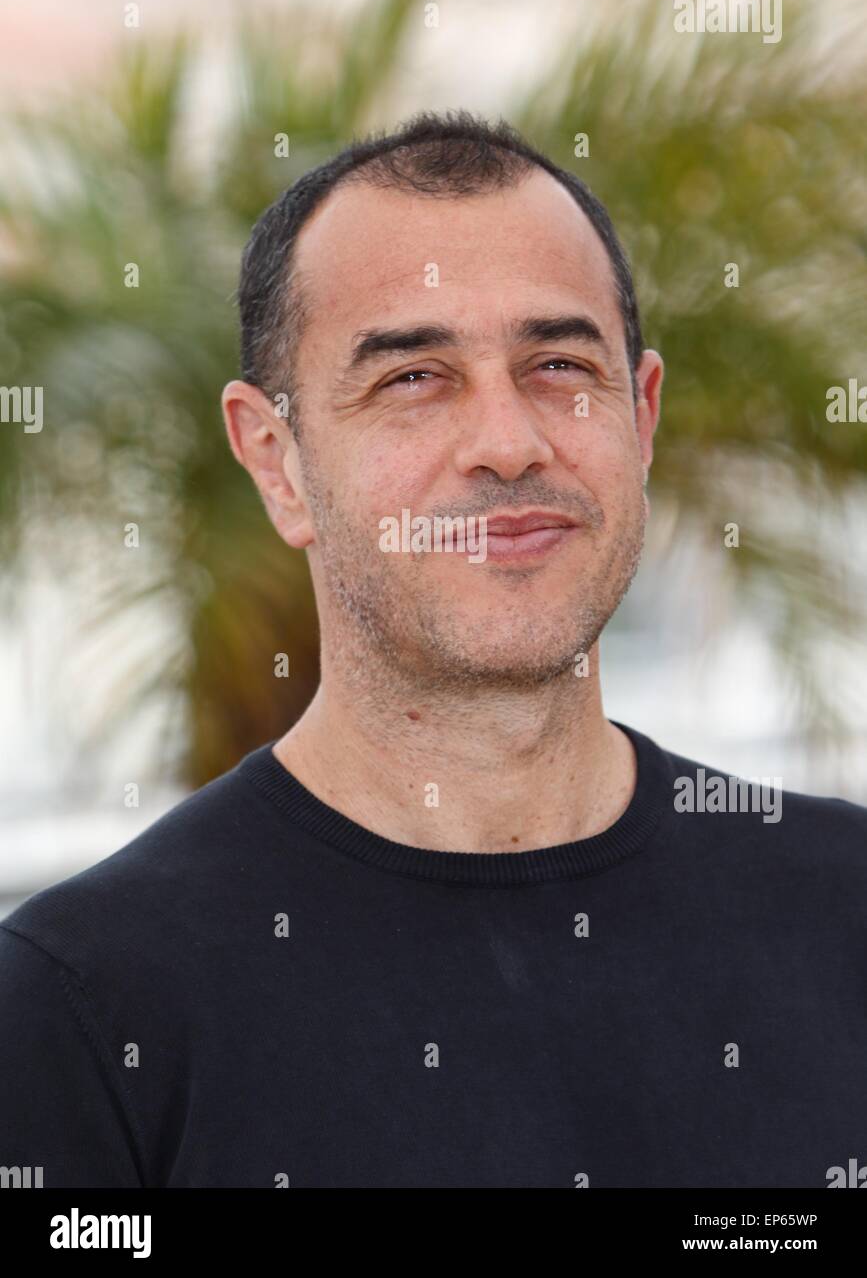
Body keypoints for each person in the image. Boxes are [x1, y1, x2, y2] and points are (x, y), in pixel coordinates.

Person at [1, 112, 865, 1189]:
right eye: (412, 378)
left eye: (558, 363)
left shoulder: (846, 911)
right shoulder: (79, 1009)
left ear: (641, 420)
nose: (509, 442)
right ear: (276, 461)